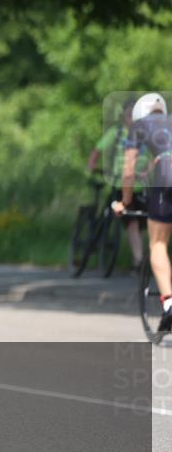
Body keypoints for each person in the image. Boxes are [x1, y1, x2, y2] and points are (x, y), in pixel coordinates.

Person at [114, 93, 172, 331]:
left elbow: (128, 170)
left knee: (157, 244)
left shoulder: (139, 126)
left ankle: (169, 302)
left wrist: (125, 201)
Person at [87, 98, 146, 269]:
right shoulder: (117, 133)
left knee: (141, 223)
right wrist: (92, 164)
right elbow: (97, 150)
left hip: (141, 185)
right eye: (129, 115)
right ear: (124, 116)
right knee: (132, 222)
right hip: (121, 183)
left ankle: (141, 258)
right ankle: (138, 260)